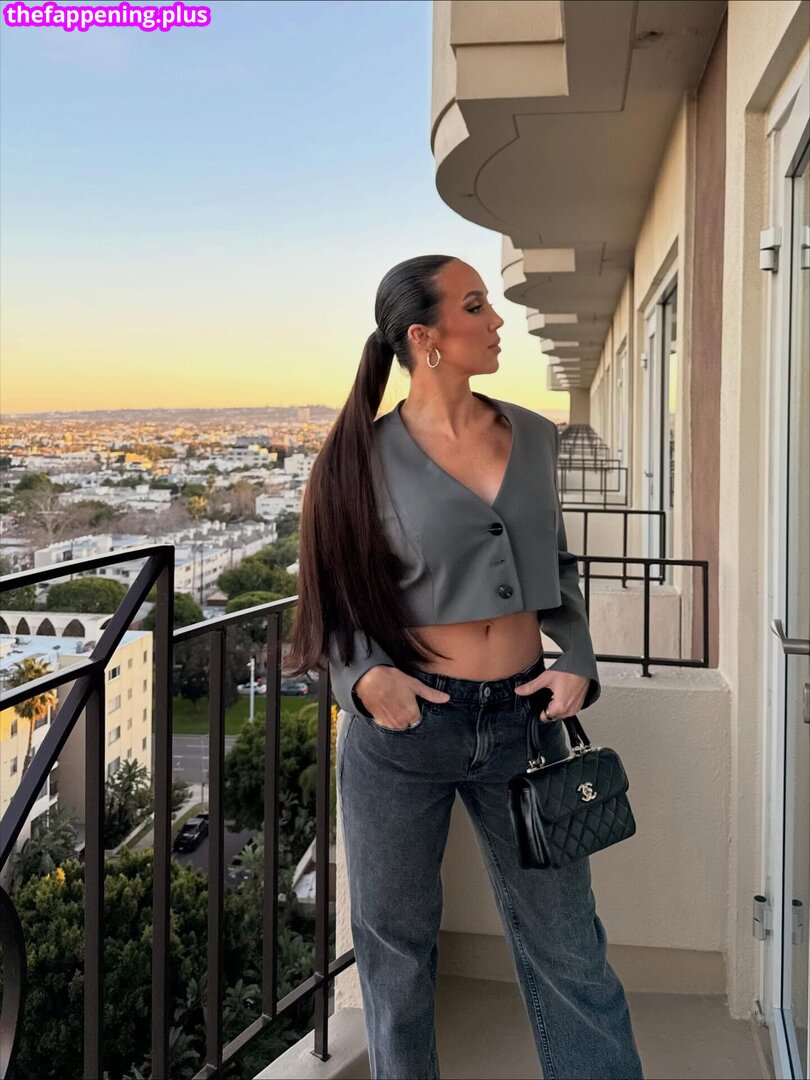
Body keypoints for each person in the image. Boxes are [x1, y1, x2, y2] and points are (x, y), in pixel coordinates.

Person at [285, 255, 644, 1080]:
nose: (497, 321)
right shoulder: (356, 457)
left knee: (570, 946)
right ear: (426, 338)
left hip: (527, 724)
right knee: (396, 951)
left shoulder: (536, 436)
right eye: (476, 306)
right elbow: (330, 592)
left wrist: (578, 657)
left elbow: (557, 567)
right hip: (406, 732)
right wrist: (364, 679)